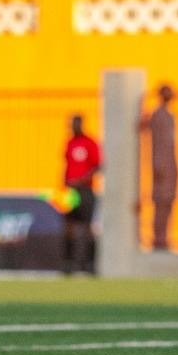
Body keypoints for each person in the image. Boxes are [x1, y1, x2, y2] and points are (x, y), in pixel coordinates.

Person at [141, 83, 178, 250]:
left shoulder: (170, 115)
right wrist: (158, 166)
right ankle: (158, 238)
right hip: (161, 165)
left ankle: (164, 237)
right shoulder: (157, 115)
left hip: (171, 165)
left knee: (168, 202)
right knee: (160, 203)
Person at [63, 115, 101, 275]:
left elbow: (97, 165)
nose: (72, 127)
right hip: (71, 192)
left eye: (74, 124)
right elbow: (68, 165)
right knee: (69, 227)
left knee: (87, 228)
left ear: (80, 124)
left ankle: (90, 265)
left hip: (85, 191)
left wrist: (82, 180)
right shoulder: (70, 143)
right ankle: (68, 265)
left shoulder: (90, 143)